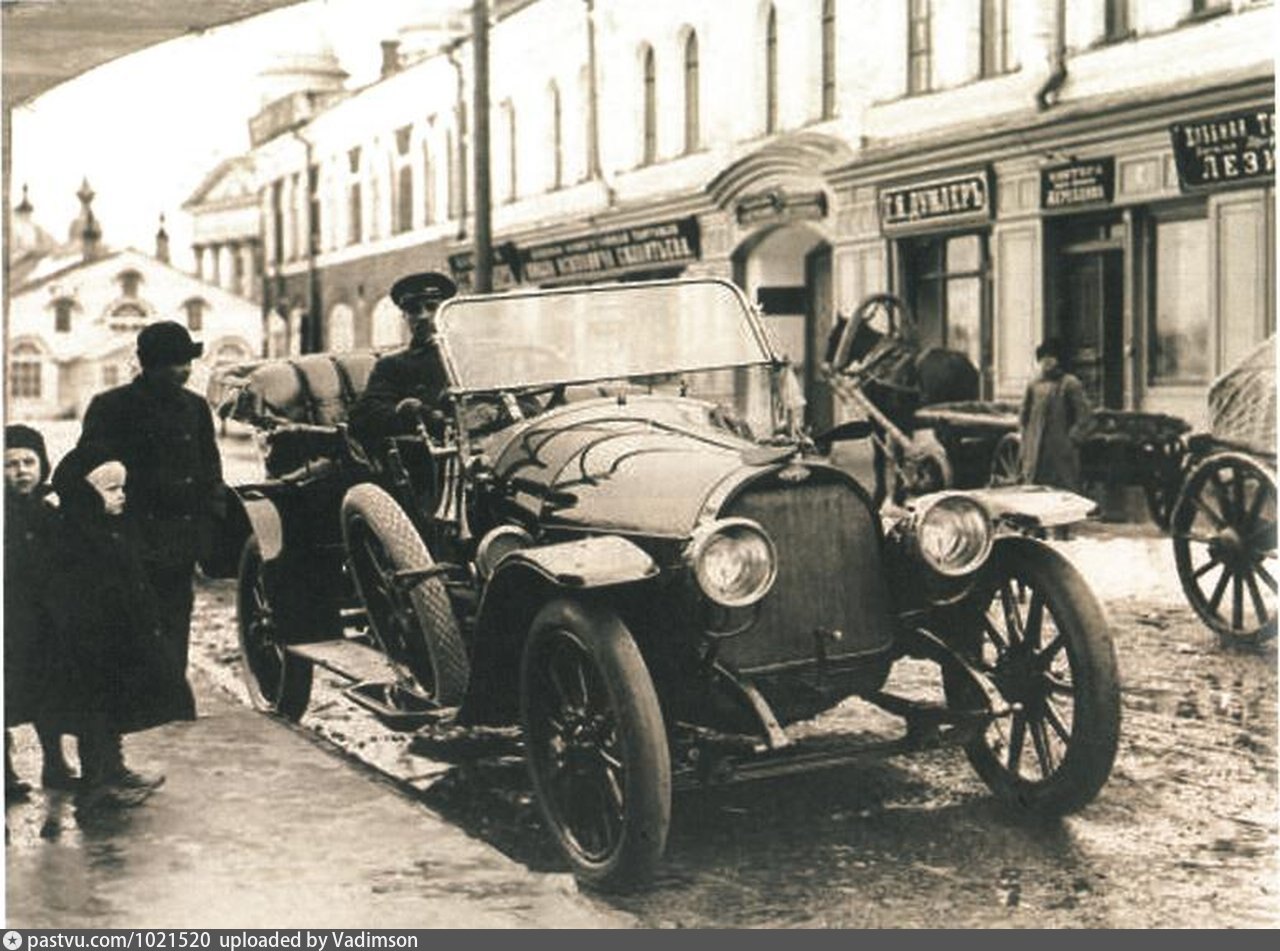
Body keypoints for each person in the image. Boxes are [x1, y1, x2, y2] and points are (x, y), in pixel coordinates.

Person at [45, 443, 196, 813]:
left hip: (113, 641)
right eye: (113, 489)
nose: (122, 496)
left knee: (112, 708)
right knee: (95, 712)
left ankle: (113, 769)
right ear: (86, 493)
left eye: (123, 488)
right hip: (90, 645)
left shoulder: (107, 526)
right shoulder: (75, 534)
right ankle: (95, 787)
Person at [79, 321, 224, 678]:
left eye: (188, 362)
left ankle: (171, 688)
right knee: (133, 611)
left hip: (181, 532)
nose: (185, 370)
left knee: (177, 610)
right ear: (150, 365)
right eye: (175, 363)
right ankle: (134, 691)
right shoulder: (111, 406)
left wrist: (212, 519)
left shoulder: (195, 407)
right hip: (132, 531)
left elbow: (210, 466)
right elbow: (90, 468)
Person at [4, 424, 77, 800]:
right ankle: (5, 772)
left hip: (45, 618)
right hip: (9, 621)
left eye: (29, 462)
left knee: (50, 691)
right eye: (11, 464)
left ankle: (55, 762)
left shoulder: (50, 508)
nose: (21, 471)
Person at [348, 271, 458, 449]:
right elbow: (365, 415)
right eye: (414, 310)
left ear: (447, 313)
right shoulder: (392, 365)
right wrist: (414, 414)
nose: (423, 316)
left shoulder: (468, 356)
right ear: (404, 317)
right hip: (432, 456)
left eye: (432, 307)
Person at [1019, 338, 1091, 491]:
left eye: (1051, 357)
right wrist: (1026, 441)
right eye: (1044, 357)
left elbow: (1084, 415)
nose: (1047, 361)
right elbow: (1024, 415)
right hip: (1037, 448)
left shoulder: (1069, 384)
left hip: (1061, 449)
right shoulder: (1034, 385)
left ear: (1059, 360)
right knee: (1036, 489)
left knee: (1064, 489)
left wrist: (1072, 439)